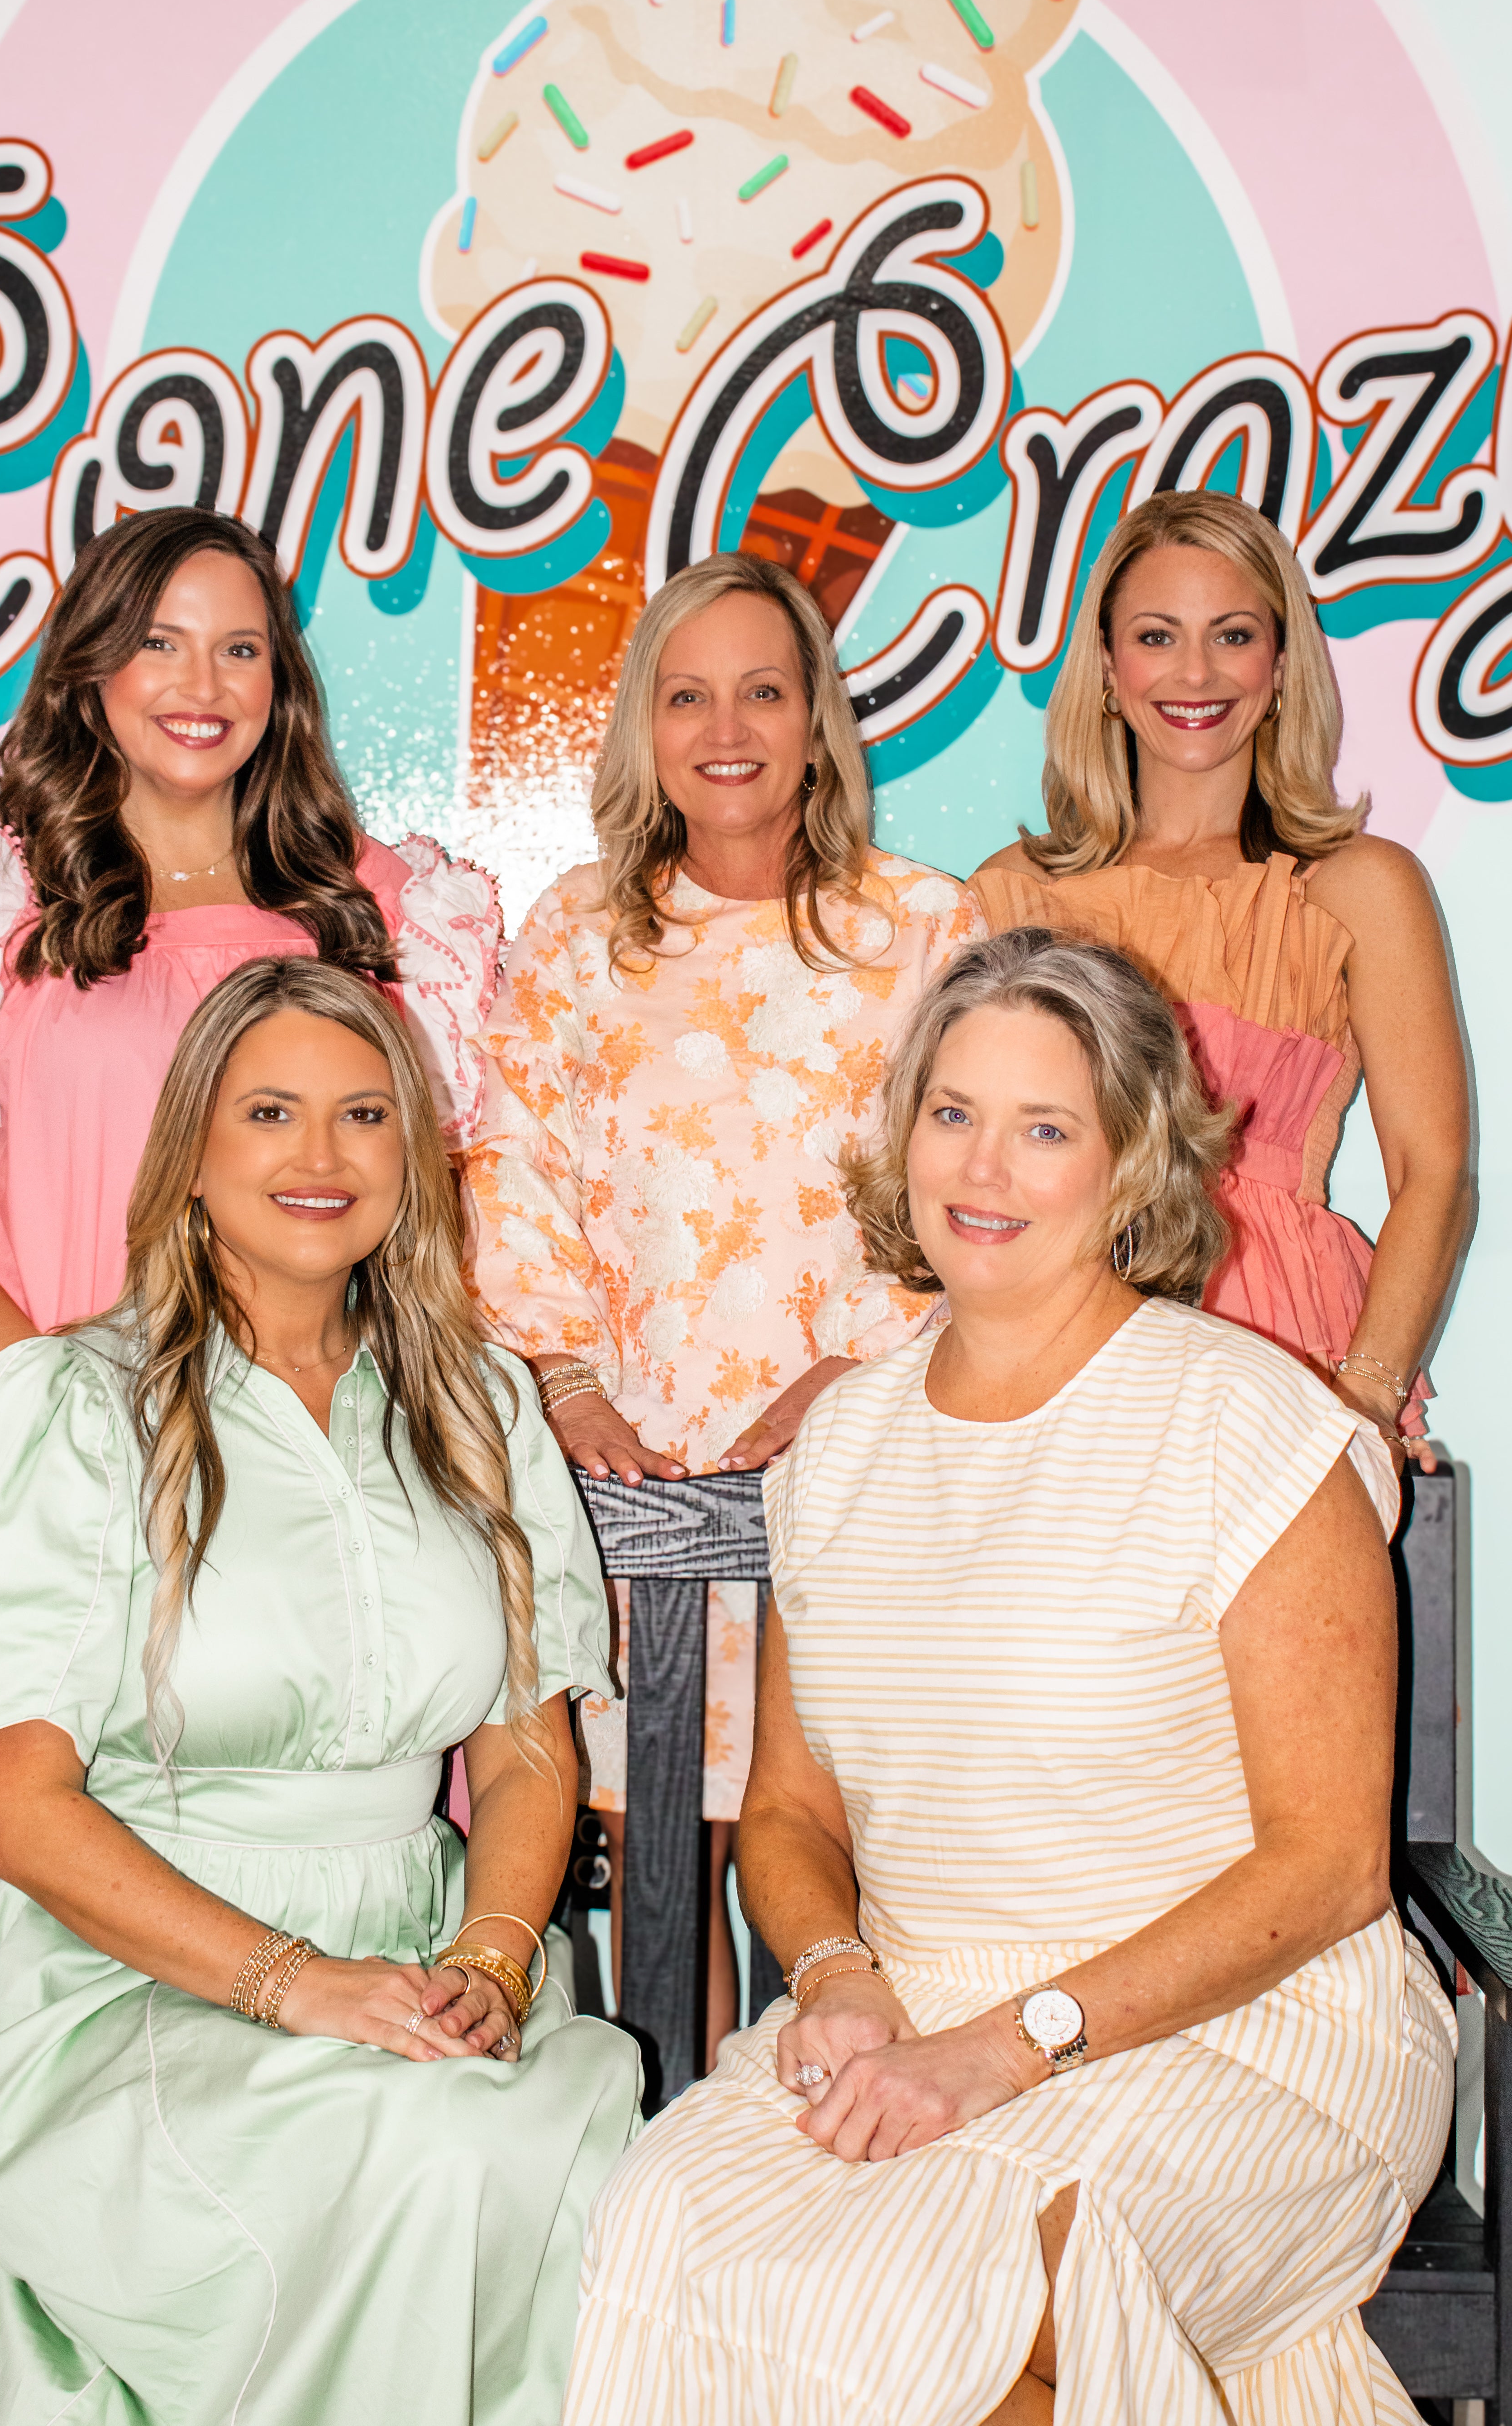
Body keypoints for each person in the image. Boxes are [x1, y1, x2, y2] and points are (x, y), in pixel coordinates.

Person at [565, 928, 1453, 2426]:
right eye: (953, 1112)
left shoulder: (1246, 1424)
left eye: (1046, 1128)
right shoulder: (837, 1451)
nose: (984, 1167)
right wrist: (837, 1975)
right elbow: (790, 1813)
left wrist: (1006, 2049)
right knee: (666, 2226)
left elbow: (1326, 1871)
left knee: (993, 2288)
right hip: (911, 2013)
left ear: (1131, 1158)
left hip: (1251, 2032)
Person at [0, 957, 640, 2426]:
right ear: (194, 1152)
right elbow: (18, 1815)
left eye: (365, 1114)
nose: (320, 1155)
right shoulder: (70, 1407)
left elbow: (526, 1754)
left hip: (423, 1955)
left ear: (413, 1155)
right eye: (270, 1111)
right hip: (115, 1989)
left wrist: (490, 1963)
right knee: (428, 2155)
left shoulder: (483, 1407)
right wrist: (299, 1984)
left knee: (549, 2156)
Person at [0, 508, 500, 1857]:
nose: (201, 683)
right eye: (161, 642)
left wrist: (282, 1471)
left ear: (282, 679)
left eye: (241, 648)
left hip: (311, 1484)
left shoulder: (385, 914)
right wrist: (107, 1453)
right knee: (52, 1870)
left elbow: (420, 1241)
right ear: (91, 664)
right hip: (44, 1468)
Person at [462, 551, 978, 2056]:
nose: (727, 728)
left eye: (763, 690)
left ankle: (825, 2145)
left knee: (832, 1841)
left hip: (868, 1453)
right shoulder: (576, 932)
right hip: (635, 1471)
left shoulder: (924, 928)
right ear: (645, 725)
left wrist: (858, 1371)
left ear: (818, 719)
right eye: (687, 697)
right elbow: (515, 1169)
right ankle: (670, 2141)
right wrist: (565, 1386)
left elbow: (982, 1184)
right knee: (657, 1839)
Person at [974, 489, 1470, 1472]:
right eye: (1156, 636)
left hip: (1286, 1347)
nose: (1195, 673)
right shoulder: (1012, 894)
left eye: (1232, 635)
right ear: (1107, 667)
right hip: (1051, 1335)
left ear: (1280, 666)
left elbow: (1434, 1173)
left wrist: (1366, 1396)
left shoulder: (1362, 887)